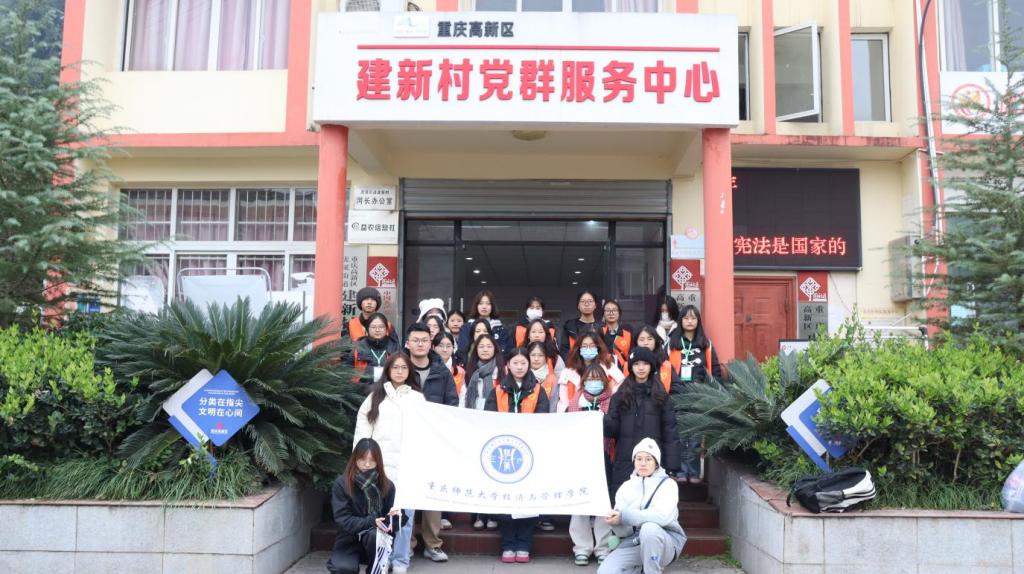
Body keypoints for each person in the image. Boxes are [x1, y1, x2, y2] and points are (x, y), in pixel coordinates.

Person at [352, 354, 425, 573]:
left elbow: (425, 433)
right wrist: (361, 460)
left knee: (405, 517)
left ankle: (400, 561)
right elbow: (362, 430)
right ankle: (381, 559)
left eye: (404, 367)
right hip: (379, 467)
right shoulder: (375, 397)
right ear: (388, 370)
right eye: (395, 367)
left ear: (410, 371)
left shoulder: (417, 399)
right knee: (379, 515)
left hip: (407, 466)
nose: (399, 371)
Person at [484, 347, 549, 563]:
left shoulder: (538, 390)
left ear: (529, 365)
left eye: (523, 363)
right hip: (505, 451)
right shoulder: (498, 390)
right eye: (515, 363)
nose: (519, 367)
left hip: (530, 452)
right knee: (506, 500)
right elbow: (488, 419)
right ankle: (508, 544)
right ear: (508, 366)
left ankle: (524, 544)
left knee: (528, 499)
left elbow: (543, 419)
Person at [403, 322, 457, 563]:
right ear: (407, 343)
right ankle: (406, 544)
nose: (420, 344)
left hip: (434, 441)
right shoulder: (399, 367)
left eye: (424, 340)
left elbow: (452, 404)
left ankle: (433, 544)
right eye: (415, 340)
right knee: (406, 493)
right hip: (405, 439)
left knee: (432, 493)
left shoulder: (442, 371)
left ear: (430, 344)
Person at [599, 438, 687, 574]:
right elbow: (624, 532)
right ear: (634, 461)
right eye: (638, 459)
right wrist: (616, 523)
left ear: (656, 463)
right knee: (605, 572)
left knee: (649, 528)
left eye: (648, 459)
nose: (643, 463)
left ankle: (652, 571)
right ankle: (640, 568)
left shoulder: (668, 485)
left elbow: (662, 517)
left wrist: (624, 516)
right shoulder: (625, 487)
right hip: (634, 542)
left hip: (664, 543)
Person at [604, 348, 680, 494]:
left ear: (651, 366)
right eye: (636, 364)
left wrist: (672, 466)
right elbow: (613, 430)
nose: (641, 368)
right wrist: (602, 420)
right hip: (625, 459)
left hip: (653, 460)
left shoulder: (661, 396)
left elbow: (670, 432)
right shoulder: (620, 396)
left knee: (651, 501)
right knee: (623, 501)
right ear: (631, 367)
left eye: (645, 363)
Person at [328, 437, 406, 574]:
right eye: (363, 459)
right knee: (343, 569)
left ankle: (376, 569)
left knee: (374, 535)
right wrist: (372, 521)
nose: (367, 464)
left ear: (378, 461)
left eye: (372, 460)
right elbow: (343, 519)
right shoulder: (342, 484)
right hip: (349, 539)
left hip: (376, 541)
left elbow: (396, 521)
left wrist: (396, 517)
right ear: (355, 458)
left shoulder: (387, 485)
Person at [567, 364, 616, 566]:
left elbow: (616, 427)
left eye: (597, 379)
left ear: (604, 381)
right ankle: (581, 548)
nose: (593, 382)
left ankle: (602, 547)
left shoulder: (613, 401)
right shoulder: (575, 400)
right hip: (581, 456)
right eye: (589, 379)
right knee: (580, 500)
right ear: (583, 381)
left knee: (603, 502)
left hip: (605, 455)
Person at [461, 332, 505, 531]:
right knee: (478, 469)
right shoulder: (470, 371)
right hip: (474, 421)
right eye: (481, 346)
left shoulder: (501, 370)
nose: (485, 349)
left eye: (489, 346)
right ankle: (478, 513)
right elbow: (464, 397)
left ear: (495, 349)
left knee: (494, 469)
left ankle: (493, 513)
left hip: (496, 421)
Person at [676, 304, 722, 484]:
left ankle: (694, 472)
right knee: (680, 437)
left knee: (695, 438)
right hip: (678, 396)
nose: (689, 321)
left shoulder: (706, 344)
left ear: (698, 321)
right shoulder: (672, 343)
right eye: (686, 318)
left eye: (693, 318)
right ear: (680, 320)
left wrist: (717, 392)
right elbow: (664, 368)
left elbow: (715, 369)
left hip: (699, 397)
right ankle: (681, 471)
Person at [555, 331, 625, 413]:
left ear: (598, 348)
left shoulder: (609, 367)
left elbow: (619, 390)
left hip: (604, 413)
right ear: (579, 348)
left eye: (592, 346)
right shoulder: (567, 372)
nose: (588, 349)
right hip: (574, 415)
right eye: (584, 346)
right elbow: (563, 403)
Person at [351, 313, 400, 385]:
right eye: (373, 327)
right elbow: (349, 372)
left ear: (386, 329)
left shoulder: (394, 346)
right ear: (367, 329)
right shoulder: (359, 346)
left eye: (381, 327)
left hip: (390, 389)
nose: (377, 330)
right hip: (363, 389)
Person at [633, 325, 677, 394]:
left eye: (650, 339)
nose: (646, 343)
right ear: (636, 342)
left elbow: (677, 388)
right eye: (641, 340)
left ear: (655, 341)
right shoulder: (629, 365)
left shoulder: (666, 365)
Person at [560, 290, 600, 358]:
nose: (586, 304)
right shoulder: (569, 326)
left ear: (595, 305)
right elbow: (564, 350)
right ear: (578, 305)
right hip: (574, 363)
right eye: (583, 301)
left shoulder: (602, 327)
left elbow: (605, 350)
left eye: (590, 301)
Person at [600, 299, 633, 375]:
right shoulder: (599, 332)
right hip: (603, 372)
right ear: (603, 314)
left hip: (624, 373)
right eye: (608, 310)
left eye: (614, 310)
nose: (611, 313)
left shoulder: (628, 333)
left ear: (619, 313)